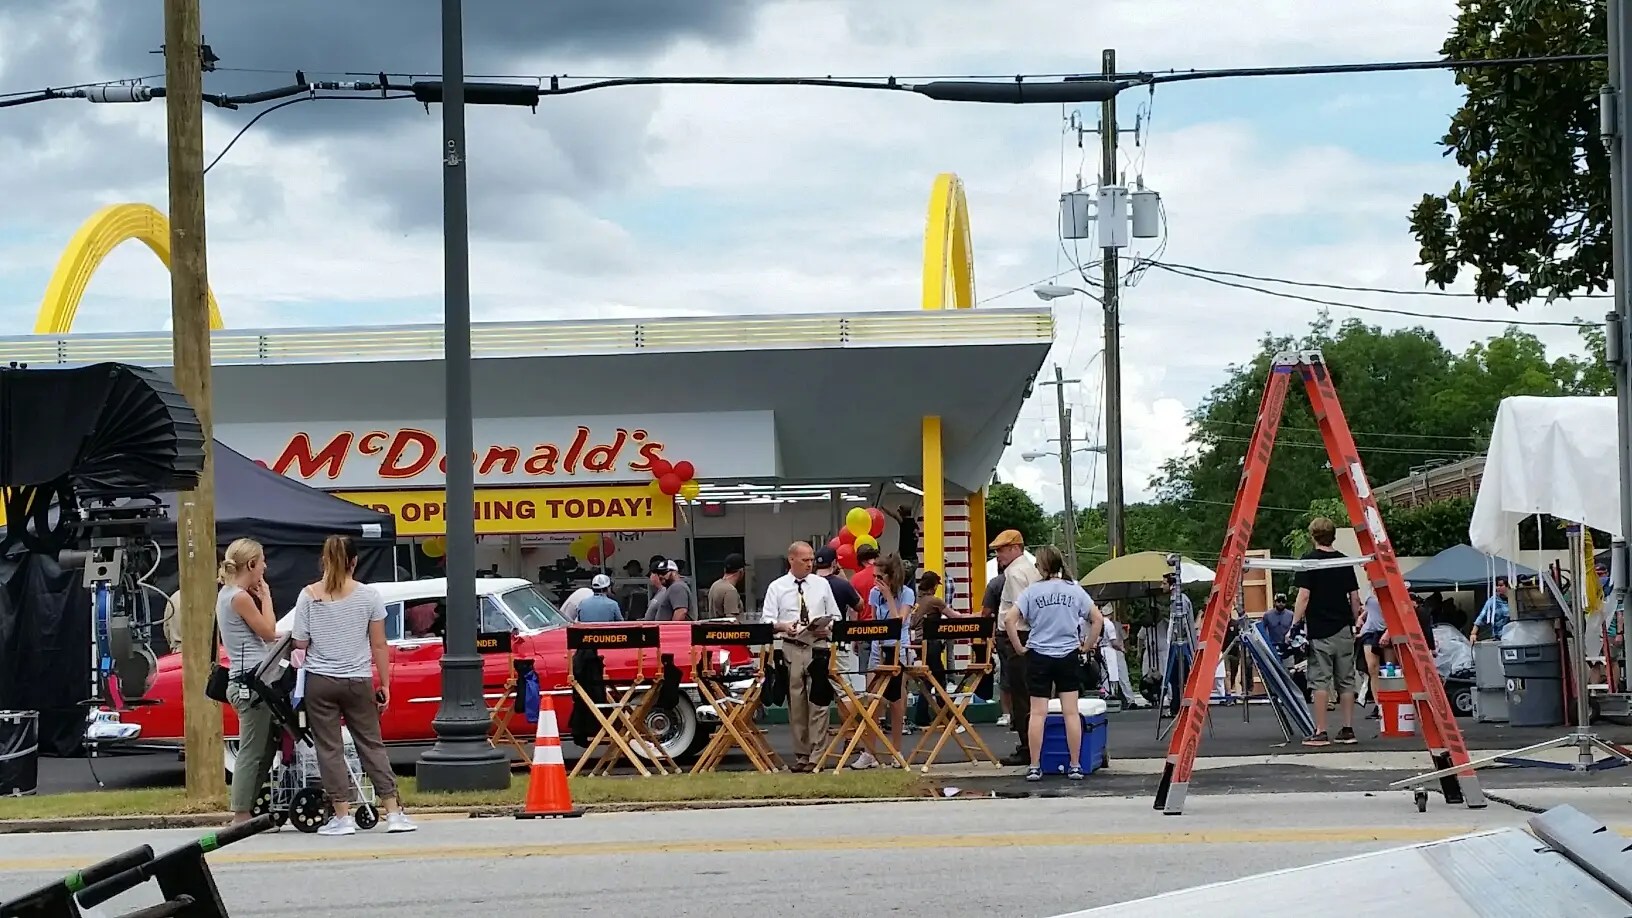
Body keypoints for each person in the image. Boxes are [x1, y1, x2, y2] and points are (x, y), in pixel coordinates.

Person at [291, 536, 416, 835]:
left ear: (324, 560)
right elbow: (379, 644)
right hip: (358, 679)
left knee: (330, 749)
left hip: (321, 681)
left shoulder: (308, 596)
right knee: (371, 744)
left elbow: (300, 643)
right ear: (354, 561)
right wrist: (384, 683)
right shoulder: (369, 596)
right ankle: (393, 812)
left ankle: (342, 815)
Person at [1007, 546, 1103, 782]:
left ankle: (1034, 765)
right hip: (1068, 653)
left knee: (1037, 713)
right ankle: (1075, 764)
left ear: (1041, 566)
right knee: (1071, 712)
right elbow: (1097, 619)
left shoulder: (1032, 591)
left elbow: (1009, 619)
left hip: (1039, 654)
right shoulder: (1074, 589)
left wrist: (1019, 647)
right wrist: (1087, 645)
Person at [761, 541, 841, 772]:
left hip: (818, 646)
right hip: (792, 646)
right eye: (805, 560)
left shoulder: (821, 584)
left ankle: (817, 755)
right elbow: (766, 620)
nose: (809, 564)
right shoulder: (777, 587)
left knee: (818, 702)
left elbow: (836, 616)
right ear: (791, 560)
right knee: (796, 704)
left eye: (811, 560)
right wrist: (782, 626)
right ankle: (802, 755)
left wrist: (828, 627)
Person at [216, 538, 278, 825]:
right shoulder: (240, 598)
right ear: (251, 564)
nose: (265, 566)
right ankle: (241, 813)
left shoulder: (226, 594)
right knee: (252, 750)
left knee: (264, 747)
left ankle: (248, 807)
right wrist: (266, 597)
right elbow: (269, 632)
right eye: (262, 561)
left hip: (246, 677)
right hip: (251, 680)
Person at [1291, 517, 1363, 747]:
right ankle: (1348, 729)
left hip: (1320, 630)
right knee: (1346, 680)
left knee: (1319, 681)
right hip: (1343, 628)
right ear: (1333, 536)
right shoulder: (1344, 561)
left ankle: (1321, 731)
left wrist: (1294, 624)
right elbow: (1354, 597)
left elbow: (1304, 596)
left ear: (1313, 536)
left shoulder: (1309, 561)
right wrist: (1355, 622)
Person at [815, 546, 873, 768]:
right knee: (844, 690)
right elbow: (859, 605)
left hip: (810, 643)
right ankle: (854, 734)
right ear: (834, 563)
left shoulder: (810, 584)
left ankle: (825, 741)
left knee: (816, 694)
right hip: (836, 642)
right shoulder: (840, 584)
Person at [992, 529, 1040, 766]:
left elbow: (1021, 609)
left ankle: (1027, 746)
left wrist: (1016, 642)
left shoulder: (1014, 573)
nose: (998, 555)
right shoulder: (1031, 570)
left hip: (1016, 635)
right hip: (1028, 634)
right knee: (1030, 693)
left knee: (1020, 694)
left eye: (1001, 550)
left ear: (1015, 548)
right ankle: (1033, 744)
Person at [868, 554, 917, 757]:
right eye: (874, 576)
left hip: (898, 648)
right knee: (873, 699)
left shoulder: (907, 594)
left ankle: (896, 750)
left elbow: (899, 621)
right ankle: (870, 752)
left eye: (880, 577)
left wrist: (888, 596)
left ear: (891, 576)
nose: (876, 581)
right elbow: (874, 620)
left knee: (896, 700)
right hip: (878, 647)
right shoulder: (873, 593)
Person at [980, 573, 1010, 726]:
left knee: (1005, 674)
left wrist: (987, 637)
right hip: (1027, 631)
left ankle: (1006, 713)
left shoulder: (996, 583)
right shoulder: (1031, 578)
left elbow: (986, 612)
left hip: (1003, 632)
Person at [1470, 576, 1511, 642]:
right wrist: (1473, 634)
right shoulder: (1492, 601)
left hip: (1515, 636)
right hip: (1499, 638)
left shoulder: (1516, 599)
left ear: (1508, 586)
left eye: (1501, 585)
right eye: (1497, 586)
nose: (1498, 588)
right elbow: (1481, 618)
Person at [707, 553, 747, 621]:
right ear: (741, 571)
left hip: (714, 627)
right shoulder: (730, 590)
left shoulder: (715, 585)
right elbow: (731, 621)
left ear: (725, 570)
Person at [850, 544, 880, 619]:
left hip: (864, 622)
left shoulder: (855, 578)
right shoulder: (884, 573)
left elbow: (854, 608)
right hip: (884, 621)